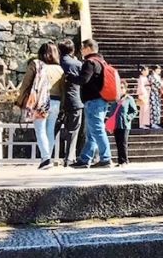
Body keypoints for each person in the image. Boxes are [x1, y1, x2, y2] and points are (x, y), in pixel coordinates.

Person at [17, 42, 64, 170]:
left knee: (40, 129)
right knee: (50, 130)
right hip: (56, 102)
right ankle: (47, 157)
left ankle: (45, 158)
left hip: (41, 102)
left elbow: (26, 83)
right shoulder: (59, 69)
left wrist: (21, 99)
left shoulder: (36, 64)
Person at [71, 38, 113, 169]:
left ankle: (106, 158)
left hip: (93, 101)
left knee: (97, 130)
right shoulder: (101, 62)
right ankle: (85, 159)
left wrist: (70, 77)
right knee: (91, 133)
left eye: (82, 48)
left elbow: (84, 79)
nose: (81, 51)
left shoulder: (90, 62)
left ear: (89, 48)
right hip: (101, 101)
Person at [58, 40, 83, 167]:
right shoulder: (77, 64)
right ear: (73, 50)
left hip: (57, 100)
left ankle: (46, 156)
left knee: (52, 130)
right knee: (73, 131)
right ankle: (69, 158)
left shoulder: (56, 63)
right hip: (75, 100)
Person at [111, 79, 139, 166]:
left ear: (125, 89)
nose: (120, 89)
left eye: (122, 87)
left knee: (123, 143)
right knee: (118, 143)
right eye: (119, 87)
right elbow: (112, 111)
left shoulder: (129, 98)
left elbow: (134, 111)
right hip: (116, 124)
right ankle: (120, 161)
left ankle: (125, 160)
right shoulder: (115, 99)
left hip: (124, 124)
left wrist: (127, 117)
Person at [149, 65, 163, 129]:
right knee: (153, 108)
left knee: (157, 108)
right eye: (158, 69)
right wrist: (161, 86)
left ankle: (156, 122)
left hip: (157, 93)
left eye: (160, 69)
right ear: (154, 70)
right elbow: (156, 84)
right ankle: (153, 123)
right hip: (153, 93)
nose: (159, 70)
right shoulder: (151, 76)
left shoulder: (158, 77)